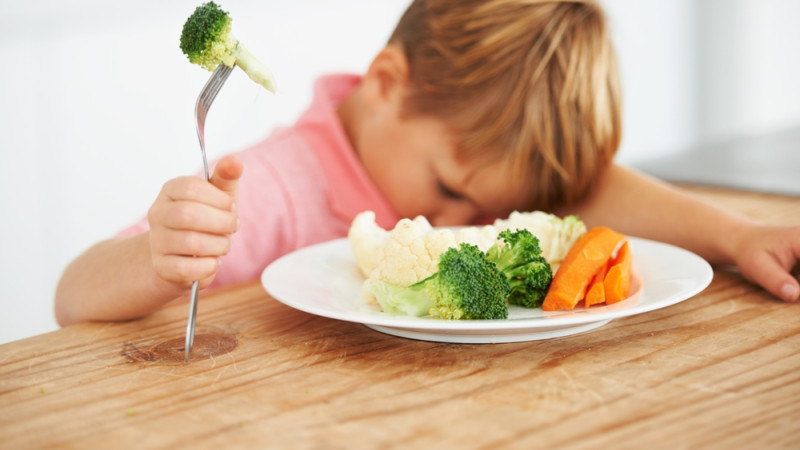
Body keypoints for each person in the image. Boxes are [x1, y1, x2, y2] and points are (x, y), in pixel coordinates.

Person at [54, 0, 800, 326]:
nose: (460, 222)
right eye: (450, 189)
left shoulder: (465, 159)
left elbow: (595, 190)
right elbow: (73, 297)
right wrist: (157, 260)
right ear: (387, 85)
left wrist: (737, 237)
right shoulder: (275, 184)